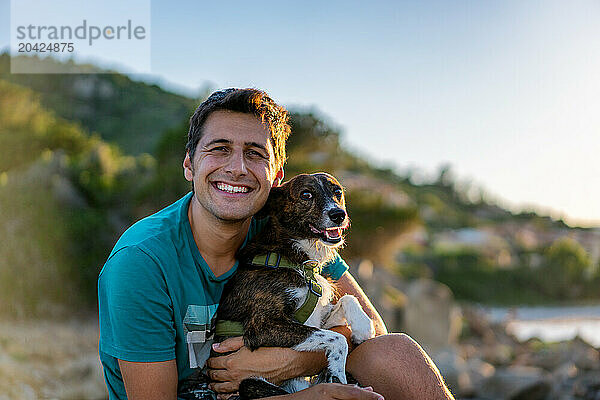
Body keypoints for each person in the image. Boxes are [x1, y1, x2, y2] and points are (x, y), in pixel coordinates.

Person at [98, 88, 454, 400]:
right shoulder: (141, 261)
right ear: (190, 164)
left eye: (255, 153)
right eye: (220, 149)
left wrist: (288, 361)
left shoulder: (292, 230)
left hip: (278, 385)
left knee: (397, 352)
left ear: (276, 177)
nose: (237, 167)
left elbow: (373, 328)